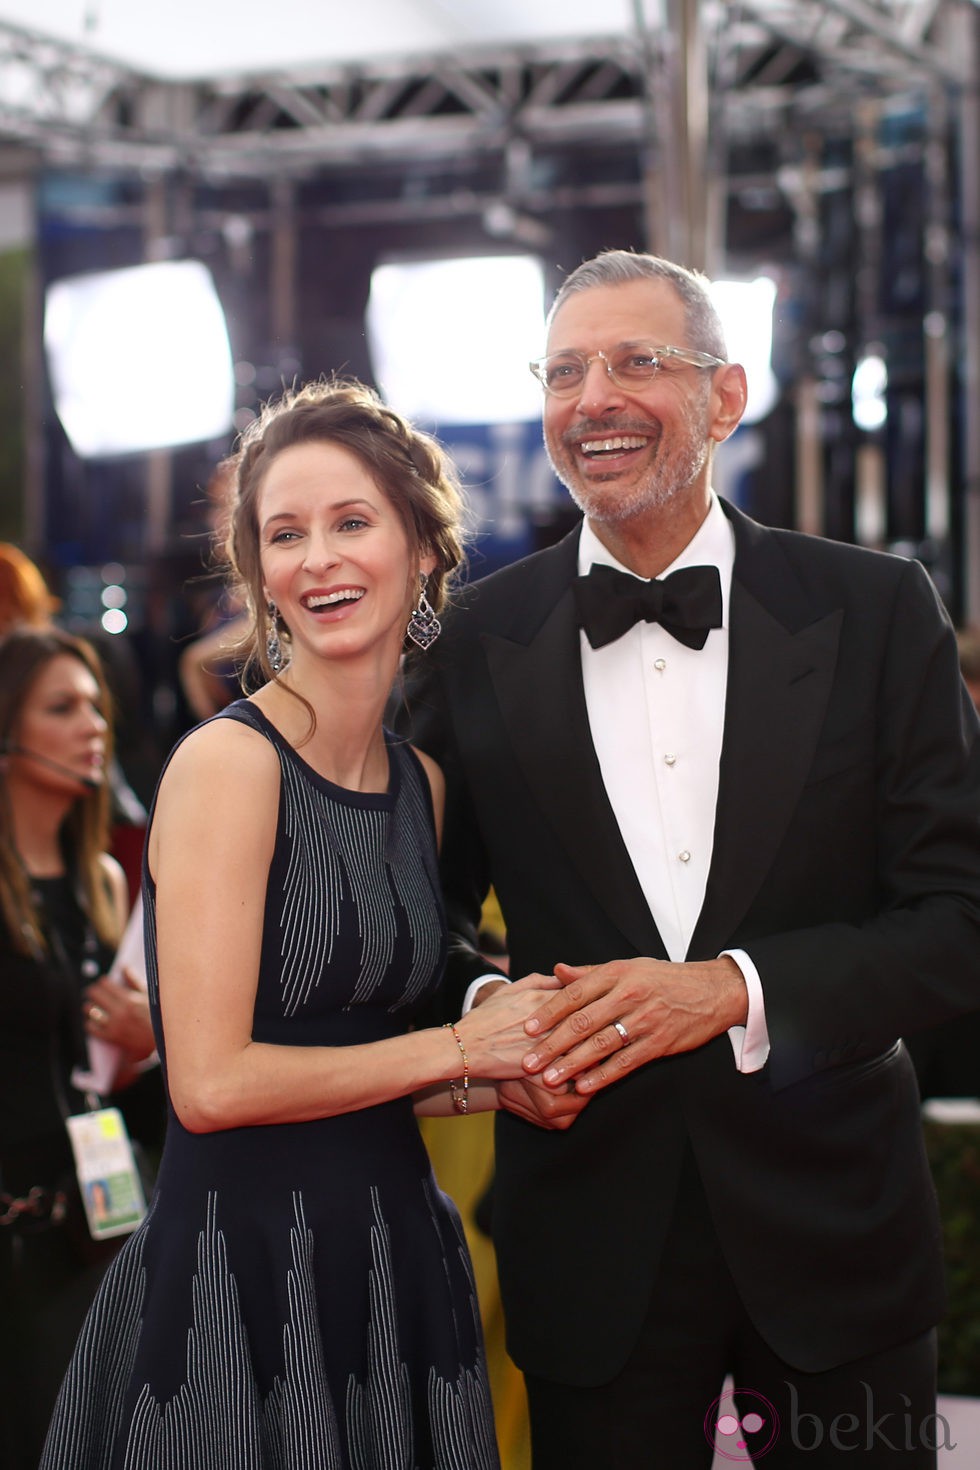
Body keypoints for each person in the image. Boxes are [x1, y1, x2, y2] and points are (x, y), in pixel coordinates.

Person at [398, 250, 980, 1467]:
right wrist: (492, 1018)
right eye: (562, 372)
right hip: (587, 1238)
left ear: (723, 397)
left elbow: (956, 918)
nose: (591, 397)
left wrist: (730, 990)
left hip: (836, 1240)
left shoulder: (875, 609)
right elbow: (418, 922)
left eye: (634, 362)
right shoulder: (471, 642)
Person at [42, 379, 559, 1470]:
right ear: (258, 574)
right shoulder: (229, 766)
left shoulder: (419, 783)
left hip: (393, 1270)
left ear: (422, 547)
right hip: (239, 1283)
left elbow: (348, 1056)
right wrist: (461, 1047)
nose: (316, 559)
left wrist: (506, 1064)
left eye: (350, 522)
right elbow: (213, 1084)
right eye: (285, 534)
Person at [0, 626, 156, 1469]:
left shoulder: (101, 875)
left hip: (94, 1222)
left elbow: (107, 1073)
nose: (93, 725)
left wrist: (148, 1038)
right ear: (7, 730)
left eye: (98, 706)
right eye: (63, 707)